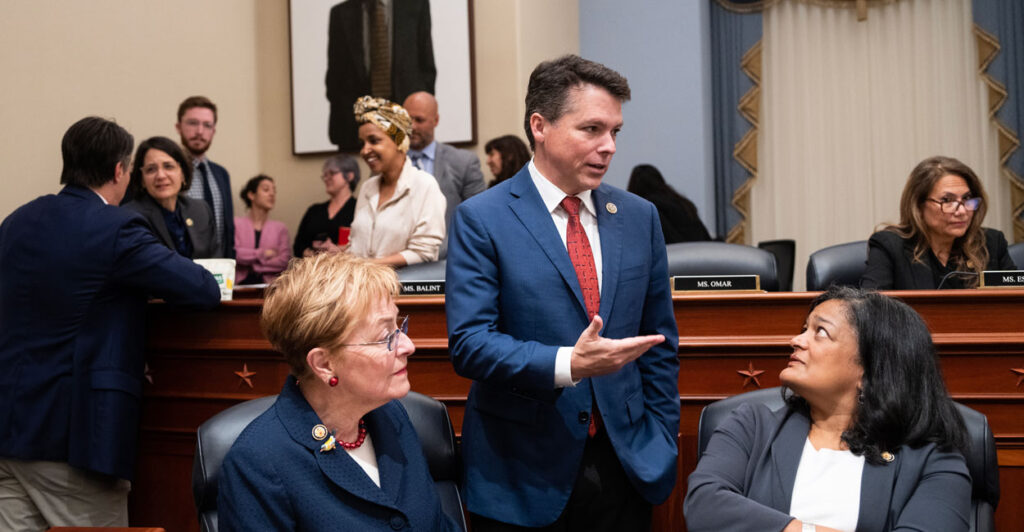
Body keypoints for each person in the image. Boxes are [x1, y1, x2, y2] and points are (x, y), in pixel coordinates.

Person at [445, 55, 680, 530]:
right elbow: (470, 344)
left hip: (627, 464)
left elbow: (659, 341)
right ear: (540, 126)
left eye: (615, 131)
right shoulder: (482, 218)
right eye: (591, 129)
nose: (609, 146)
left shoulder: (639, 217)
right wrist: (567, 365)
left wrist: (661, 437)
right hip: (522, 472)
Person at [0, 117, 220, 531]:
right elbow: (202, 289)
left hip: (9, 428)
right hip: (73, 438)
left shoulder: (16, 222)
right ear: (121, 170)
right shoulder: (115, 228)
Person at [684, 286, 972, 531]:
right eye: (803, 329)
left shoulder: (934, 461)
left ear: (870, 372)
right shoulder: (751, 425)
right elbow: (703, 505)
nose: (795, 341)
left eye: (820, 331)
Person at [217, 253, 457, 531]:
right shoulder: (257, 462)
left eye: (398, 326)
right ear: (324, 364)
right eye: (385, 336)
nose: (407, 346)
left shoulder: (392, 416)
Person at [861, 155, 1016, 289]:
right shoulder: (891, 247)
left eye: (967, 199)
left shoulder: (991, 244)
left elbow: (1016, 300)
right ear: (919, 206)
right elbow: (870, 311)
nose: (962, 211)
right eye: (946, 200)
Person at [346, 96, 446, 267]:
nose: (365, 150)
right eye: (362, 143)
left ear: (399, 141)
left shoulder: (425, 185)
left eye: (374, 140)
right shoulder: (367, 188)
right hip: (362, 288)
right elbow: (355, 245)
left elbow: (424, 252)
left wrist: (369, 266)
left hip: (401, 290)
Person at [326, 0, 436, 151]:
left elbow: (427, 67)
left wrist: (420, 113)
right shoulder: (341, 13)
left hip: (406, 125)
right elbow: (335, 76)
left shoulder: (415, 5)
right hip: (356, 130)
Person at [122, 136, 220, 258]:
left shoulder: (201, 210)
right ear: (142, 180)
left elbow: (217, 261)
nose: (161, 176)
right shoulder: (130, 217)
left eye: (168, 166)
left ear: (183, 174)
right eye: (151, 169)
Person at [404, 91, 486, 231]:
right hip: (395, 250)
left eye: (419, 120)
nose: (412, 127)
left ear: (436, 120)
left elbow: (479, 217)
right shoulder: (388, 162)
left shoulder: (463, 162)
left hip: (447, 250)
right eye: (407, 120)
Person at [176, 95, 235, 258]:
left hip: (220, 270)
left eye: (207, 125)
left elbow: (227, 232)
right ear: (178, 127)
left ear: (213, 131)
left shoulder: (221, 174)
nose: (200, 131)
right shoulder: (169, 174)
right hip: (184, 267)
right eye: (193, 123)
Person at [294, 155, 360, 257]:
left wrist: (338, 251)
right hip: (313, 269)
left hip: (346, 269)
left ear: (350, 176)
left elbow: (364, 248)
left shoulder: (360, 209)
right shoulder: (314, 210)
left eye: (332, 173)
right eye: (325, 175)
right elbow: (298, 246)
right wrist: (315, 255)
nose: (326, 179)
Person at [627, 164, 711, 243]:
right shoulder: (682, 203)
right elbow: (704, 235)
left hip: (677, 254)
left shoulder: (646, 209)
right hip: (701, 250)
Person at [234, 175, 292, 284]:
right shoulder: (236, 224)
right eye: (266, 189)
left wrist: (253, 265)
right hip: (240, 287)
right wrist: (263, 254)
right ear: (251, 195)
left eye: (274, 191)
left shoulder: (280, 228)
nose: (272, 194)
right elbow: (235, 254)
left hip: (271, 288)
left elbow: (284, 261)